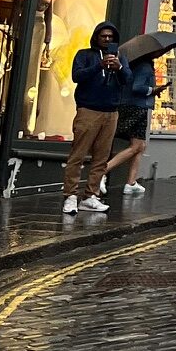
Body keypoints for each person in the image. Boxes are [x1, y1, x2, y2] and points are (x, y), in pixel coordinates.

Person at [62, 23, 126, 217]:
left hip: (111, 112)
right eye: (103, 36)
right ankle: (70, 196)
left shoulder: (120, 58)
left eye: (111, 37)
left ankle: (91, 196)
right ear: (96, 37)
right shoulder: (85, 55)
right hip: (88, 110)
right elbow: (76, 76)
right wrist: (98, 66)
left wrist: (120, 68)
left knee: (101, 158)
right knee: (78, 155)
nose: (107, 40)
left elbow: (128, 80)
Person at [101, 50, 158, 198]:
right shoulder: (145, 67)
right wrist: (154, 90)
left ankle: (131, 183)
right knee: (136, 146)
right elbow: (137, 87)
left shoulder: (133, 64)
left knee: (141, 146)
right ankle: (102, 171)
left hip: (128, 105)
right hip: (137, 107)